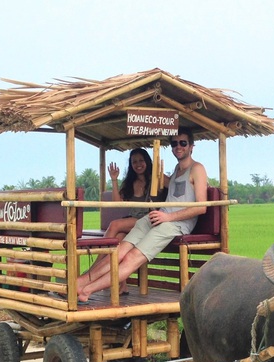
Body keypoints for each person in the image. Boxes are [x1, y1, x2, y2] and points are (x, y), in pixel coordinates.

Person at [76, 128, 208, 302]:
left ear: (191, 146)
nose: (178, 147)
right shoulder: (177, 169)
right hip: (158, 217)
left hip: (176, 224)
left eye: (183, 143)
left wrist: (168, 217)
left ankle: (87, 290)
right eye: (175, 143)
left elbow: (202, 207)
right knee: (120, 250)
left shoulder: (197, 169)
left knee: (132, 257)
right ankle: (81, 281)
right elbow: (161, 183)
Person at [105, 148, 153, 241]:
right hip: (133, 220)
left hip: (147, 220)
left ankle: (97, 255)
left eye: (141, 160)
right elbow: (116, 203)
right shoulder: (130, 182)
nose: (138, 164)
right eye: (134, 162)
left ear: (147, 161)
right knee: (119, 237)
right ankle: (103, 256)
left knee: (114, 225)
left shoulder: (154, 181)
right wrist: (114, 179)